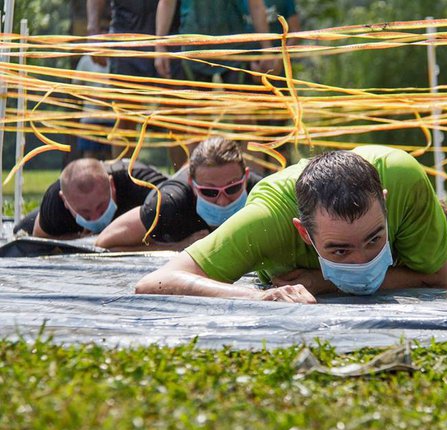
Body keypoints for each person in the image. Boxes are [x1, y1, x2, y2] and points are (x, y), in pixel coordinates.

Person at [135, 146, 447, 303]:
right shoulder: (266, 222)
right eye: (340, 250)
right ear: (303, 233)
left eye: (372, 240)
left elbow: (439, 279)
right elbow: (154, 282)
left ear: (383, 207)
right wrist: (260, 298)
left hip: (415, 216)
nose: (362, 260)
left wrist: (324, 280)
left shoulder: (402, 183)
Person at [95, 136, 262, 251]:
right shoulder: (169, 203)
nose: (222, 201)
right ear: (192, 184)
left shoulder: (262, 192)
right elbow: (104, 243)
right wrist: (177, 246)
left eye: (232, 188)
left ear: (246, 178)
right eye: (209, 192)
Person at [86, 0, 185, 169]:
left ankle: (184, 184)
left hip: (169, 36)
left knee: (175, 119)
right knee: (125, 117)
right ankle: (120, 179)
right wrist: (93, 29)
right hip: (125, 38)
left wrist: (161, 43)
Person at [13, 158, 167, 240]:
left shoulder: (140, 182)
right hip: (52, 222)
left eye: (101, 208)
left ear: (112, 186)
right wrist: (78, 240)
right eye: (85, 213)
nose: (95, 218)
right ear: (65, 202)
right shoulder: (55, 203)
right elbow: (41, 245)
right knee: (19, 232)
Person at [73, 54, 113, 160]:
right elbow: (76, 88)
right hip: (90, 118)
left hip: (113, 119)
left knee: (112, 157)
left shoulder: (116, 59)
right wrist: (95, 98)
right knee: (89, 155)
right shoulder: (86, 60)